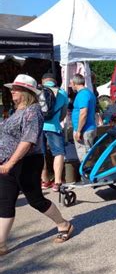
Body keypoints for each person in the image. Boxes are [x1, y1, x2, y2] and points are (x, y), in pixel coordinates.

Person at [0, 74, 73, 255]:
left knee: (35, 200)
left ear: (26, 92)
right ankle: (1, 244)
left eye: (16, 89)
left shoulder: (33, 112)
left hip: (26, 162)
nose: (12, 91)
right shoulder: (16, 111)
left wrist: (10, 163)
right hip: (8, 162)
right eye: (12, 88)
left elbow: (28, 141)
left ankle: (64, 225)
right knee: (5, 201)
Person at [40, 71, 68, 192]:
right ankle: (57, 182)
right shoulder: (62, 93)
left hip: (38, 127)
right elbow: (63, 113)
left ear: (43, 81)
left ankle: (45, 181)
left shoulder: (37, 92)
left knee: (40, 154)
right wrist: (56, 120)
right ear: (55, 81)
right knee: (59, 153)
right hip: (54, 127)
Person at [71, 73, 97, 162]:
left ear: (74, 83)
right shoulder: (88, 93)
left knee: (85, 158)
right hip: (88, 128)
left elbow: (83, 113)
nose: (71, 86)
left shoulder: (83, 94)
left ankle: (86, 175)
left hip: (85, 130)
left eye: (71, 84)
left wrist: (78, 131)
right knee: (89, 155)